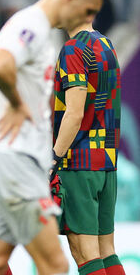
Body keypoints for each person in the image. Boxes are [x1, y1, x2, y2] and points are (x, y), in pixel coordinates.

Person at [0, 0, 107, 275]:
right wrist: (16, 105)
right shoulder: (32, 23)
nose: (88, 20)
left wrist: (7, 100)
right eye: (88, 11)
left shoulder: (40, 29)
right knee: (56, 265)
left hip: (5, 158)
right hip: (17, 163)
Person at [52, 20, 124, 274]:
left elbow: (74, 113)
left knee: (85, 252)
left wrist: (54, 157)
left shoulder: (73, 48)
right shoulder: (106, 44)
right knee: (107, 250)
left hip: (79, 162)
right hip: (106, 161)